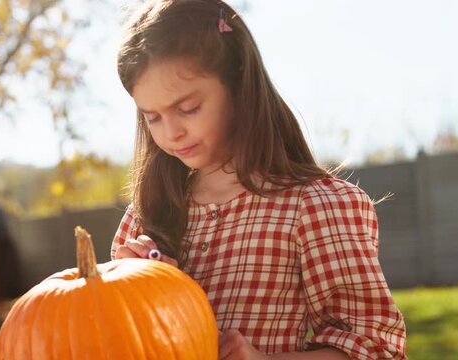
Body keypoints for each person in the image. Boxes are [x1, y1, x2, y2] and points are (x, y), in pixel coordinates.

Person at [109, 0, 407, 359]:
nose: (171, 132)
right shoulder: (145, 217)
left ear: (238, 87)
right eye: (152, 117)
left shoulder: (315, 207)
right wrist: (135, 285)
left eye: (187, 108)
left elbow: (376, 348)